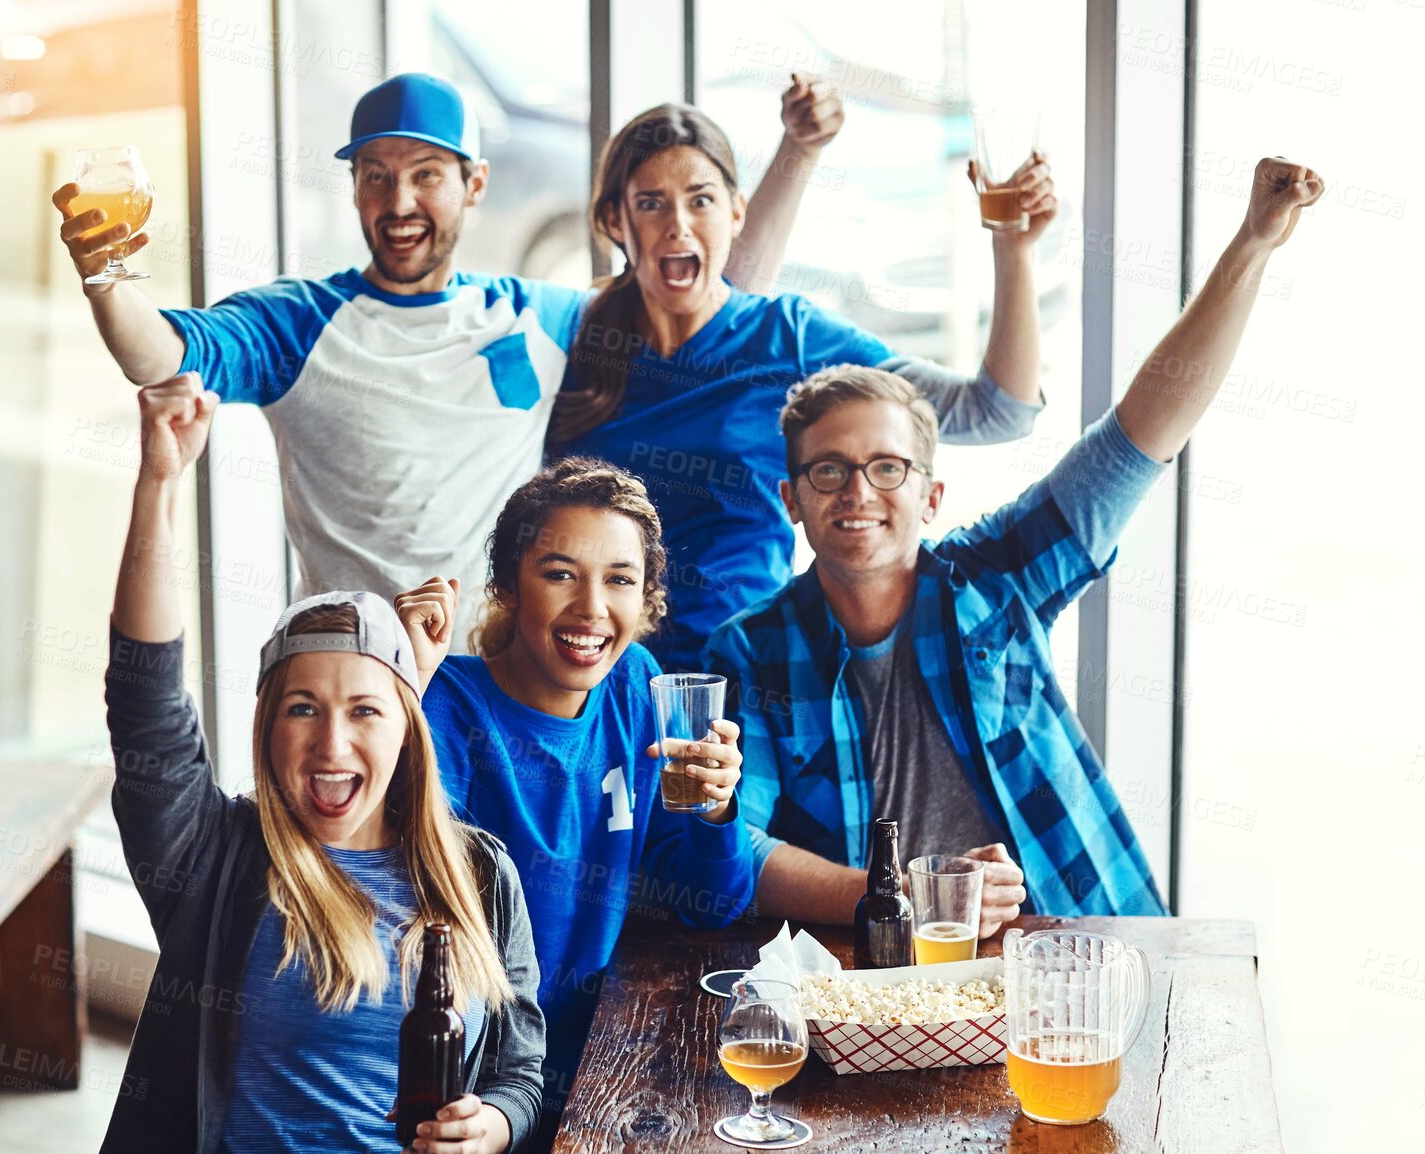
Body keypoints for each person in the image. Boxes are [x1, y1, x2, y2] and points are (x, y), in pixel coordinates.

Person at [704, 157, 1325, 932]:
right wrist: (903, 897)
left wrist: (1252, 244)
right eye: (828, 471)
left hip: (1078, 943)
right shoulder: (747, 650)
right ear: (789, 499)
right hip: (881, 981)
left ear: (931, 495)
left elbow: (1141, 433)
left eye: (886, 468)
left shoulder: (997, 572)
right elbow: (738, 852)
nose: (858, 493)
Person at [53, 72, 844, 639]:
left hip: (495, 683)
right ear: (356, 189)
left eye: (426, 175)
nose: (399, 203)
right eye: (376, 177)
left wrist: (796, 156)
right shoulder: (298, 321)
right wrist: (106, 277)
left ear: (474, 185)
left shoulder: (538, 317)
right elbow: (160, 357)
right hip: (347, 679)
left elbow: (711, 293)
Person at [100, 372, 545, 1154]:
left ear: (407, 728)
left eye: (363, 712)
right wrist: (158, 484)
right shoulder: (217, 860)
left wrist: (497, 1122)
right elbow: (147, 704)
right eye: (301, 708)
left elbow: (519, 1063)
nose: (330, 745)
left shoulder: (480, 876)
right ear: (266, 728)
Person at [550, 102, 1057, 670]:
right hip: (586, 682)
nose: (678, 224)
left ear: (736, 213)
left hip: (742, 685)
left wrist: (1014, 251)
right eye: (650, 203)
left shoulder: (788, 339)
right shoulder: (572, 338)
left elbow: (997, 411)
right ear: (615, 221)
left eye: (701, 200)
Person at [391, 459, 754, 1145]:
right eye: (559, 573)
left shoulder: (638, 688)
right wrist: (404, 695)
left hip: (600, 1060)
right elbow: (406, 876)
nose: (591, 608)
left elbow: (710, 903)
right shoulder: (446, 700)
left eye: (619, 579)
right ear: (506, 587)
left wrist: (715, 813)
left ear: (646, 599)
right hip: (471, 1073)